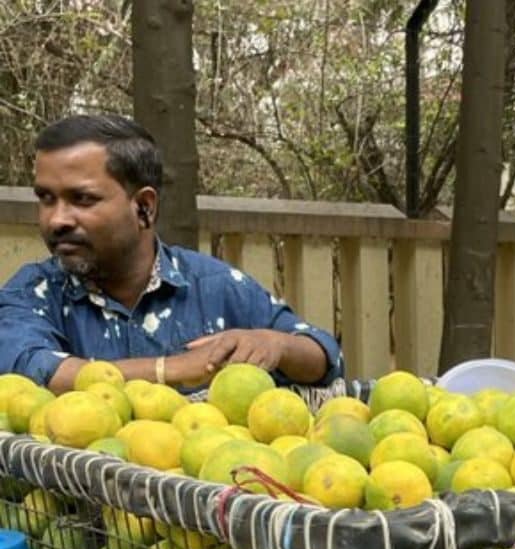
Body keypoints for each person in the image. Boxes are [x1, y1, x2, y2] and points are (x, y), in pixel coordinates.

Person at [0, 114, 343, 393]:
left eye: (83, 199)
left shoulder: (214, 285)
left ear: (144, 207)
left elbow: (324, 357)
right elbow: (29, 369)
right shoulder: (33, 292)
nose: (57, 219)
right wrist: (175, 369)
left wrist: (275, 344)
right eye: (46, 199)